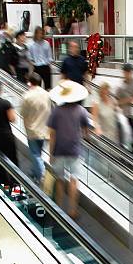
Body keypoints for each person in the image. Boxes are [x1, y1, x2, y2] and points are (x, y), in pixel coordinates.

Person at [47, 80, 90, 218]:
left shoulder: (56, 111)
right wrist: (85, 136)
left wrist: (51, 153)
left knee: (59, 180)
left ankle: (59, 209)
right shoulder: (81, 111)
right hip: (75, 150)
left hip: (59, 149)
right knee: (74, 179)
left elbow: (52, 134)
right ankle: (72, 210)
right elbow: (85, 131)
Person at [20, 73, 51, 184]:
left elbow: (22, 113)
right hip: (45, 129)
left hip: (32, 130)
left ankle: (42, 176)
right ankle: (34, 171)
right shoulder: (47, 95)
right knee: (39, 152)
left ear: (30, 83)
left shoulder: (27, 96)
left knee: (35, 154)